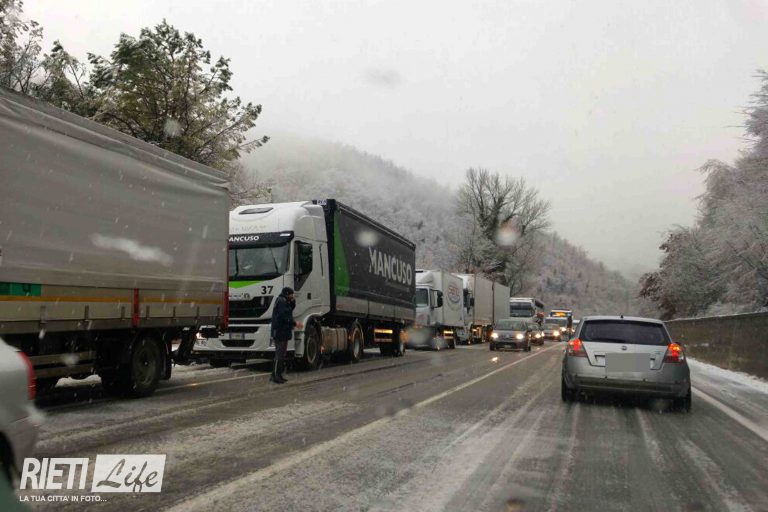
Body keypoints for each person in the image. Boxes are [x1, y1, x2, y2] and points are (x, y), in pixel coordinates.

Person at [270, 287, 296, 383]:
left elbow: (288, 311)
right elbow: (284, 315)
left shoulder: (283, 301)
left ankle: (277, 374)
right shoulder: (282, 301)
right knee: (279, 354)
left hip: (282, 331)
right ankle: (276, 375)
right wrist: (294, 323)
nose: (292, 296)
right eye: (291, 294)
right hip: (280, 331)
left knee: (281, 354)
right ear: (287, 294)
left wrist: (292, 303)